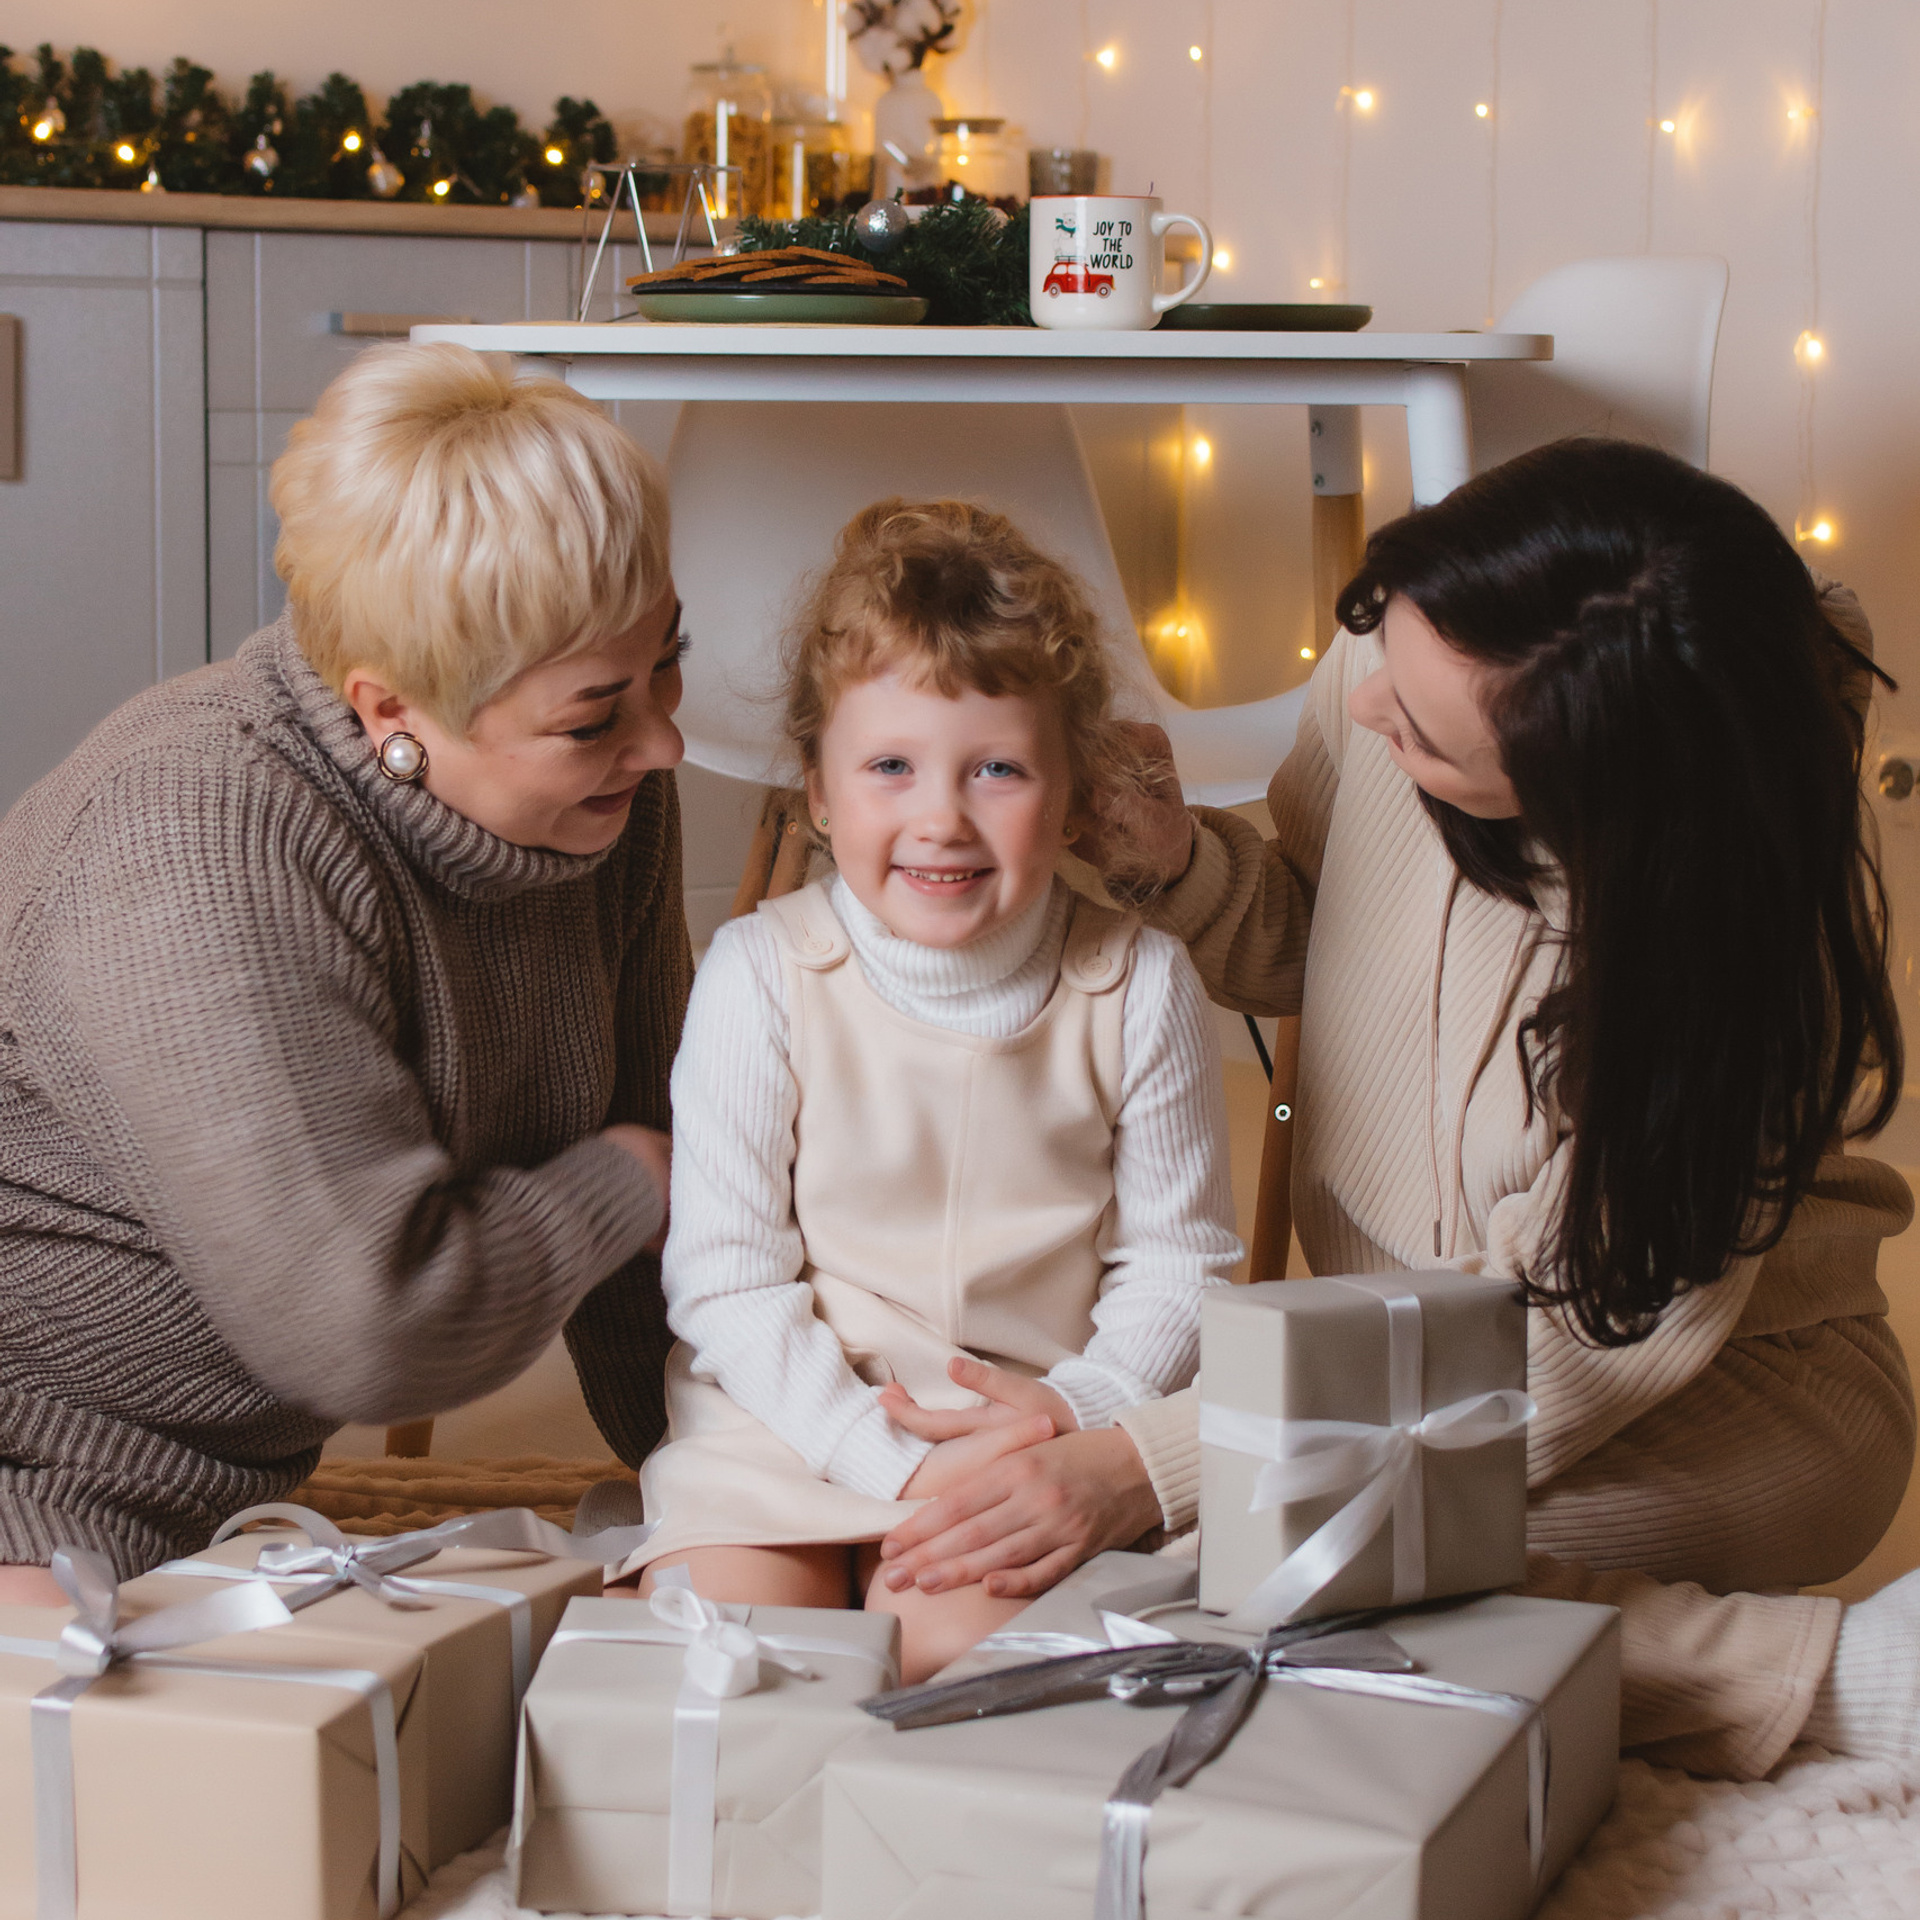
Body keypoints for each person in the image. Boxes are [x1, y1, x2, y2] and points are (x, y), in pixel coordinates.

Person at [872, 439, 1920, 1779]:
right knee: (1212, 1562)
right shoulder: (1407, 674)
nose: (1370, 712)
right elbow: (1324, 932)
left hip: (1699, 1397)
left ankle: (1831, 1686)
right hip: (1405, 1361)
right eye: (1380, 656)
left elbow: (1555, 1355)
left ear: (1579, 795)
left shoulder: (1728, 975)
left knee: (1263, 1582)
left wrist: (1147, 1464)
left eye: (1422, 734)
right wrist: (1180, 863)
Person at [0, 342, 688, 1601]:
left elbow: (663, 1241)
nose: (662, 738)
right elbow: (370, 1321)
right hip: (24, 1463)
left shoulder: (605, 802)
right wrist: (623, 1183)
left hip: (229, 1493)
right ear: (392, 715)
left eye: (668, 662)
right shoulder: (194, 831)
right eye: (595, 715)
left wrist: (731, 1491)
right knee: (131, 1781)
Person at [623, 499, 1242, 1680]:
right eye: (891, 767)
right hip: (788, 1420)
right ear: (817, 790)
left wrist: (1081, 1411)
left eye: (998, 769)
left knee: (965, 1670)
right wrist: (881, 1457)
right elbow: (728, 1280)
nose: (940, 819)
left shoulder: (1138, 981)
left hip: (1032, 1427)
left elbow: (1182, 1262)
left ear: (1070, 793)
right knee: (741, 1665)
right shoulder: (762, 973)